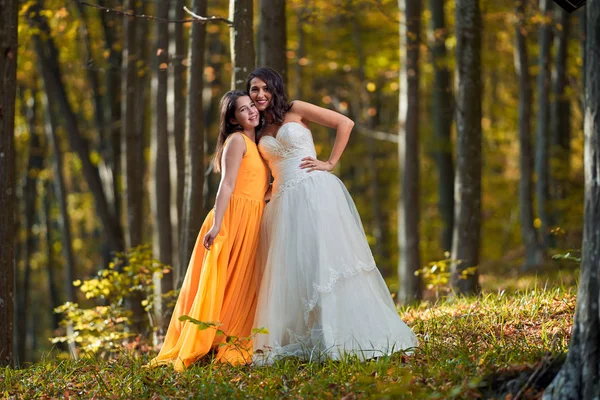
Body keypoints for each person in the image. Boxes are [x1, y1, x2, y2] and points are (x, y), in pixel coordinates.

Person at [247, 67, 418, 365]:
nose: (260, 95)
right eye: (253, 89)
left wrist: (330, 162)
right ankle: (312, 336)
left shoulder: (296, 110)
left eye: (265, 88)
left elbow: (345, 122)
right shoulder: (257, 128)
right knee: (296, 270)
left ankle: (345, 334)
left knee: (327, 261)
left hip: (315, 192)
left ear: (275, 89)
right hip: (283, 204)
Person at [147, 90, 269, 371]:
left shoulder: (257, 143)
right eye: (243, 109)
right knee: (220, 280)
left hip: (253, 218)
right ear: (233, 119)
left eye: (252, 106)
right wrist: (217, 225)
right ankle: (205, 339)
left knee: (242, 280)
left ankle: (226, 336)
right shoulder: (237, 141)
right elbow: (226, 184)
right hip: (232, 217)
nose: (251, 111)